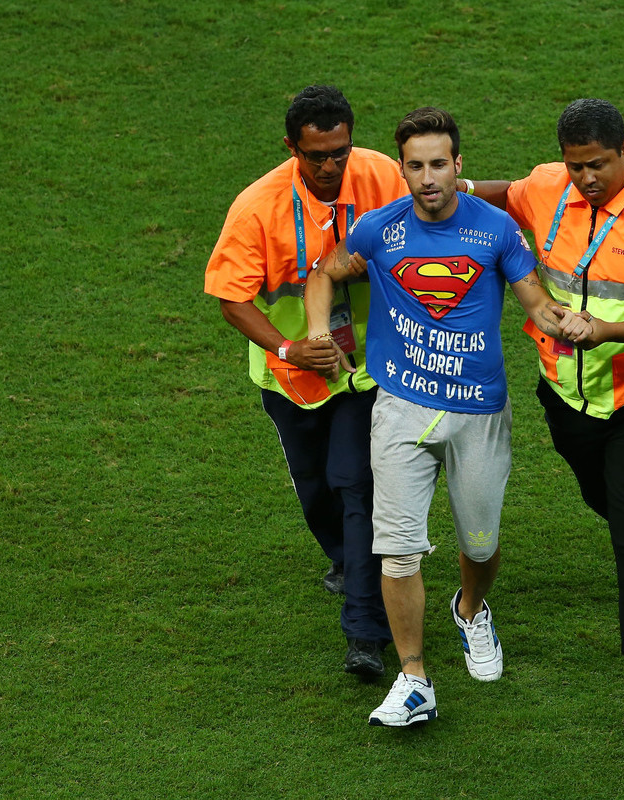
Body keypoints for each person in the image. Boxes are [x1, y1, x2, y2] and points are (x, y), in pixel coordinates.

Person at [304, 107, 589, 727]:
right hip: (401, 407)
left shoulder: (497, 230)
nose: (427, 177)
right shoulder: (381, 230)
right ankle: (414, 679)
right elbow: (325, 274)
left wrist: (564, 323)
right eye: (415, 166)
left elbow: (534, 301)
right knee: (398, 551)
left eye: (439, 164)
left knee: (480, 543)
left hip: (478, 413)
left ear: (459, 166)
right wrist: (317, 329)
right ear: (401, 169)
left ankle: (470, 610)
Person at [460, 98, 624, 734]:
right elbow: (509, 194)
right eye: (576, 166)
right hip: (567, 399)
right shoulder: (549, 186)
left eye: (597, 165)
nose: (586, 179)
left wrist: (605, 330)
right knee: (610, 502)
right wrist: (454, 186)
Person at [204, 85, 407, 679]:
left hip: (370, 366)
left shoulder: (381, 176)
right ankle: (350, 561)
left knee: (355, 483)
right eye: (316, 155)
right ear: (291, 147)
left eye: (340, 152)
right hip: (292, 375)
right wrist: (290, 347)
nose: (330, 167)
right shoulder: (256, 206)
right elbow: (232, 299)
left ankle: (364, 631)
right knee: (315, 486)